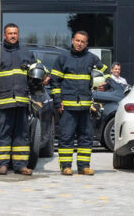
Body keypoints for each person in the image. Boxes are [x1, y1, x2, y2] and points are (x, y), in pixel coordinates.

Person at [0, 23, 39, 176]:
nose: (13, 36)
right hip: (3, 101)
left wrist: (40, 82)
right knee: (3, 134)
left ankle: (21, 166)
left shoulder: (27, 53)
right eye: (10, 33)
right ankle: (2, 165)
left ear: (18, 35)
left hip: (21, 101)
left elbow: (35, 76)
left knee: (22, 135)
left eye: (15, 33)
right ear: (4, 35)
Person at [51, 30, 108, 176]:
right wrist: (58, 102)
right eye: (77, 40)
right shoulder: (63, 58)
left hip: (86, 106)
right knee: (66, 137)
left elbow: (105, 75)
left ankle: (83, 167)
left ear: (86, 44)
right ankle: (65, 167)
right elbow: (55, 82)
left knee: (86, 137)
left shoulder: (92, 59)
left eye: (82, 41)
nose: (79, 43)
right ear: (72, 40)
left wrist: (103, 84)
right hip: (68, 107)